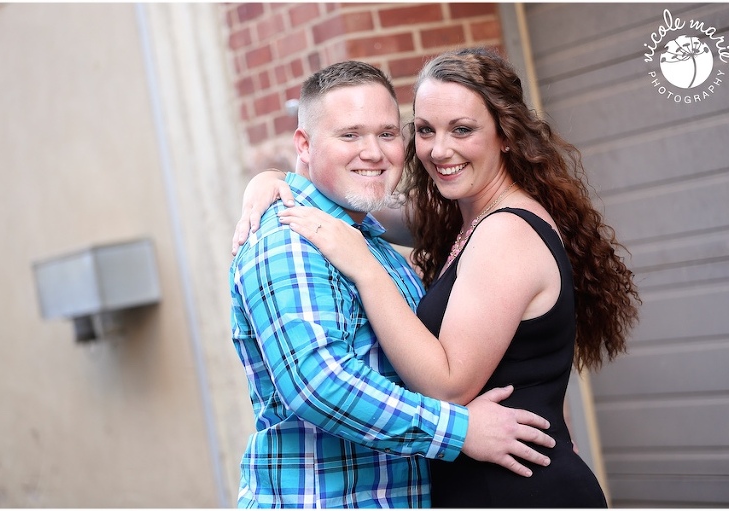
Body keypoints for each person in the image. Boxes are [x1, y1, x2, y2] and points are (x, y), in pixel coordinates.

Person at [235, 48, 641, 507]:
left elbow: (449, 385)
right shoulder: (444, 223)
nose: (439, 149)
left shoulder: (503, 231)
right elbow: (358, 199)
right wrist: (275, 181)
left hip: (515, 490)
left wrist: (366, 269)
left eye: (462, 129)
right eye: (425, 130)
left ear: (505, 135)